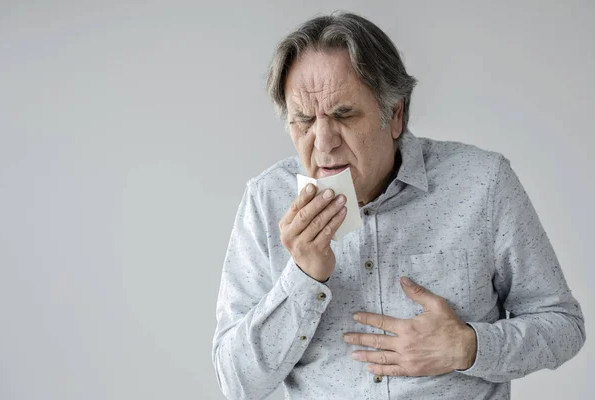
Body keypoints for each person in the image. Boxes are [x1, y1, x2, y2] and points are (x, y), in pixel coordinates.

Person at [211, 11, 585, 400]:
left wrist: (469, 346)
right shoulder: (266, 199)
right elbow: (237, 383)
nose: (322, 143)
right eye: (304, 119)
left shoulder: (483, 183)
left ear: (395, 115)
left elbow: (563, 326)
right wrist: (303, 278)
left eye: (343, 114)